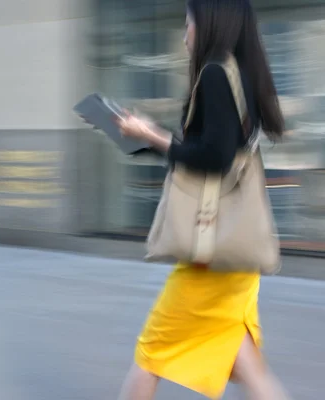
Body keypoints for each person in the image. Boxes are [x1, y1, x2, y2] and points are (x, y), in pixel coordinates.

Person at [116, 0, 290, 399]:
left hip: (211, 256)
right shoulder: (244, 73)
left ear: (209, 21)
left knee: (151, 351)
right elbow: (211, 149)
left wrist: (152, 136)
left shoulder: (215, 73)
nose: (184, 34)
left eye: (188, 22)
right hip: (234, 251)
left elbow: (214, 158)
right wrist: (146, 138)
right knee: (247, 365)